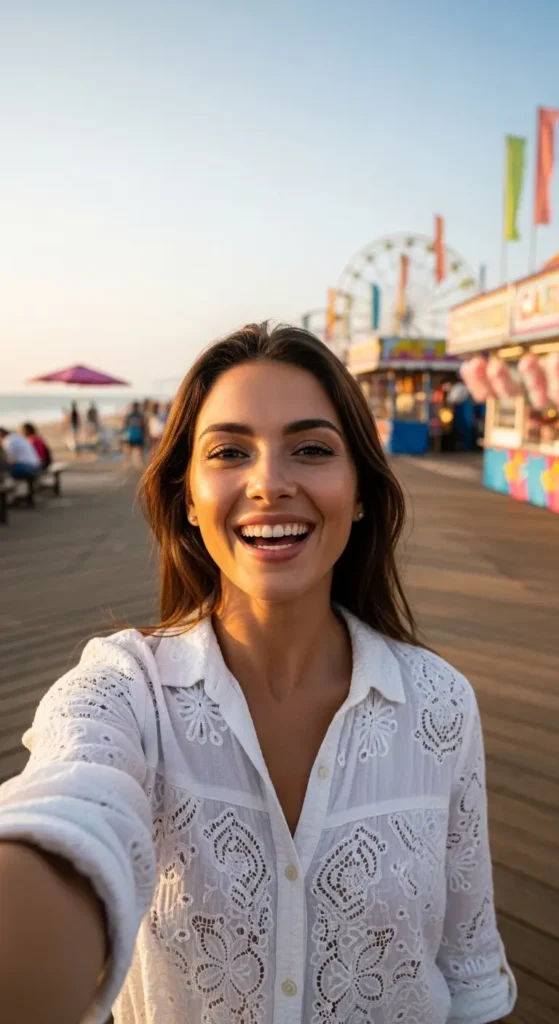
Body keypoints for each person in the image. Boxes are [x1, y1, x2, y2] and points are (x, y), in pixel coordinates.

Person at [0, 323, 516, 1024]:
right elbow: (67, 809)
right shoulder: (125, 691)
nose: (269, 482)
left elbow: (468, 967)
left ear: (360, 489)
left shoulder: (438, 703)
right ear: (187, 496)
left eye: (310, 449)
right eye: (229, 451)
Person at [122, 401, 146, 469]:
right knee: (132, 448)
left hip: (134, 432)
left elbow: (125, 424)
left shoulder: (136, 415)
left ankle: (133, 462)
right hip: (133, 432)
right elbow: (125, 424)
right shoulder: (135, 415)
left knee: (136, 448)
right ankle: (128, 463)